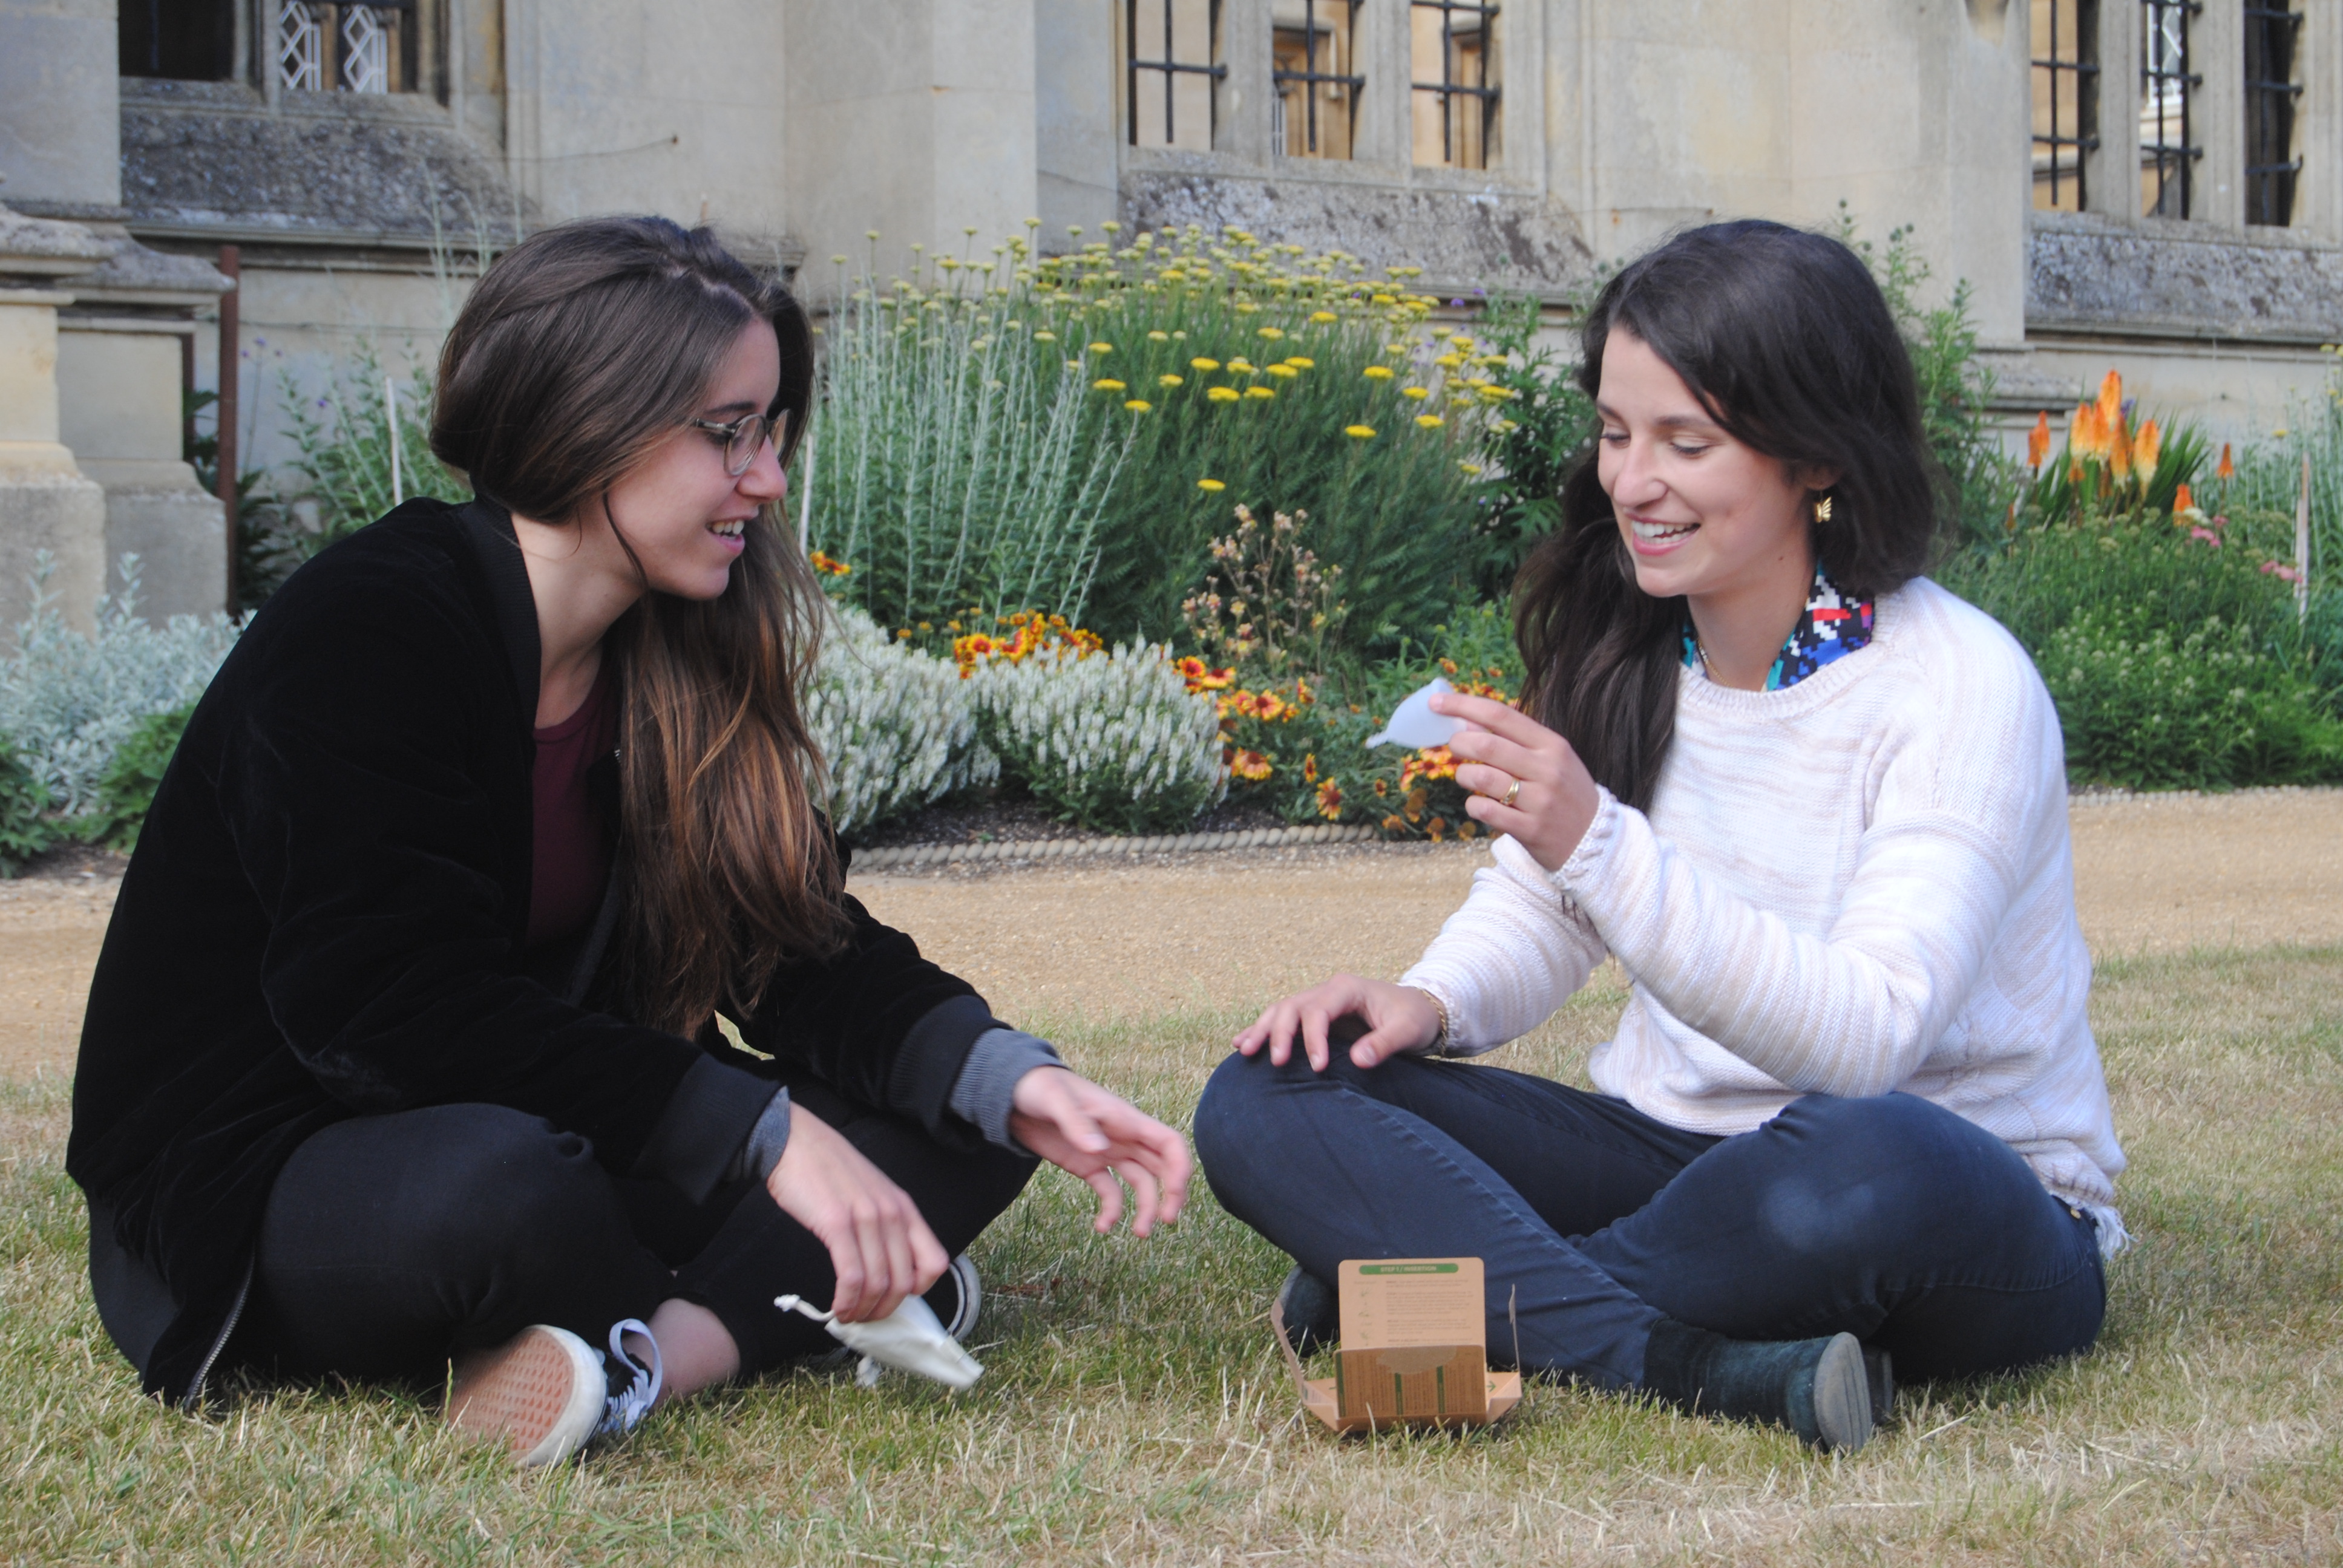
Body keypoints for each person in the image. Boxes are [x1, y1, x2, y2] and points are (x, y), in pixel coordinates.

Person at [68, 217, 1190, 1466]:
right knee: (506, 1188)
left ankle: (654, 1360)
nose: (766, 481)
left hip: (560, 1123)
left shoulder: (678, 642)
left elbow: (794, 950)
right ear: (585, 418)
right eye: (729, 435)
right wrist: (767, 1137)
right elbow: (388, 1010)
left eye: (771, 435)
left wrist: (1008, 1079)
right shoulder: (373, 623)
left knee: (952, 1113)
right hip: (285, 1167)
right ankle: (806, 1299)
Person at [1193, 220, 2123, 1454]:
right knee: (1271, 1090)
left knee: (1861, 1156)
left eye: (1687, 442)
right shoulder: (1634, 642)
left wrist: (1597, 838)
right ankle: (1684, 1361)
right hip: (1680, 1165)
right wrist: (1427, 1001)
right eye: (1617, 434)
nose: (1634, 482)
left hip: (1940, 1186)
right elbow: (1541, 904)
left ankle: (1432, 1286)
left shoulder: (1956, 686)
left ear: (1814, 457)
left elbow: (1867, 1038)